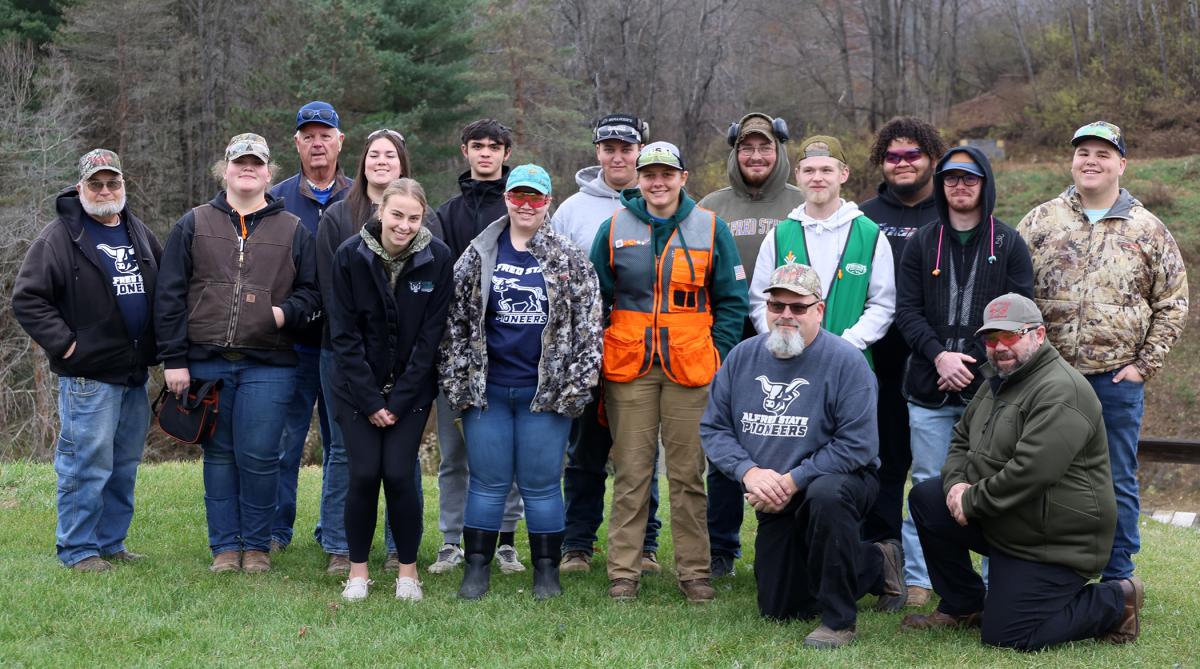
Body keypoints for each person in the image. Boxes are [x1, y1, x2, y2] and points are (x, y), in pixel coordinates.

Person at [903, 293, 1142, 651]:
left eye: (1010, 336)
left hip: (1055, 538)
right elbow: (960, 440)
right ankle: (963, 604)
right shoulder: (998, 380)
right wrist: (956, 487)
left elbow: (1032, 472)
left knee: (1008, 635)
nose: (999, 347)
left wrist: (972, 500)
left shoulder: (1063, 390)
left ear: (1039, 335)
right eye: (991, 338)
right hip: (1012, 518)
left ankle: (1114, 601)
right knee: (927, 498)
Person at [1017, 121, 1188, 582]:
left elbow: (1172, 303)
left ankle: (1118, 577)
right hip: (1046, 378)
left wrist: (1142, 366)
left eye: (1102, 154)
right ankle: (1041, 571)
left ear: (1121, 164)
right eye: (1082, 153)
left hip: (1114, 379)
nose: (1090, 161)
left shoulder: (1149, 229)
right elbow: (1013, 293)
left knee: (1116, 479)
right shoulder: (1039, 221)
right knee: (1036, 472)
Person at [701, 263, 905, 648]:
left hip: (842, 482)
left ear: (819, 310)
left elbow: (858, 445)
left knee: (825, 496)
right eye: (777, 305)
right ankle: (876, 564)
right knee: (780, 606)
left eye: (798, 307)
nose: (786, 316)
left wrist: (793, 480)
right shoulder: (742, 358)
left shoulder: (847, 362)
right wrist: (749, 473)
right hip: (773, 492)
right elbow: (714, 428)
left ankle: (838, 621)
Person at [590, 141, 748, 603]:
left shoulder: (711, 227)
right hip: (627, 366)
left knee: (687, 477)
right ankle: (624, 573)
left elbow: (733, 301)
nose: (658, 182)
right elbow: (595, 298)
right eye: (649, 174)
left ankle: (695, 573)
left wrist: (718, 354)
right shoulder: (614, 226)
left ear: (683, 177)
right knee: (632, 474)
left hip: (692, 368)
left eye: (666, 174)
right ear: (638, 180)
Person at [156, 133, 319, 573]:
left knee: (262, 455)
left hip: (270, 363)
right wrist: (174, 359)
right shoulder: (193, 223)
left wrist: (284, 314)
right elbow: (169, 296)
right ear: (224, 169)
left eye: (256, 163)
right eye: (239, 162)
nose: (247, 169)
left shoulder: (294, 231)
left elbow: (313, 294)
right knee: (221, 454)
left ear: (269, 173)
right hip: (205, 361)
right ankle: (226, 548)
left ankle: (258, 547)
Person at [440, 165, 602, 600]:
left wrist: (574, 389)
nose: (526, 205)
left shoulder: (568, 257)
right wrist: (459, 385)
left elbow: (588, 328)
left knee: (542, 483)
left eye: (535, 198)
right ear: (506, 199)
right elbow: (454, 322)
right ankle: (476, 568)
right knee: (488, 482)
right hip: (488, 392)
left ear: (547, 202)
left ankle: (547, 571)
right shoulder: (479, 253)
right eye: (518, 197)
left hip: (545, 396)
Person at [893, 146, 1033, 606]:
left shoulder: (1008, 243)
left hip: (994, 388)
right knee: (929, 484)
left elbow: (1020, 311)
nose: (960, 186)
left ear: (984, 184)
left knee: (992, 485)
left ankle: (997, 586)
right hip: (928, 388)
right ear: (941, 185)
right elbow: (907, 312)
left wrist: (970, 359)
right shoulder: (921, 242)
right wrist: (939, 357)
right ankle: (921, 581)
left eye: (969, 179)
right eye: (951, 178)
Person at [13, 149, 162, 571]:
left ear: (123, 187)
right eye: (95, 183)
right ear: (80, 189)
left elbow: (164, 289)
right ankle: (78, 548)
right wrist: (67, 345)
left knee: (123, 464)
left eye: (112, 182)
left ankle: (111, 542)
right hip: (88, 375)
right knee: (86, 463)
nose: (105, 190)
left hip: (134, 372)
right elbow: (28, 298)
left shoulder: (138, 232)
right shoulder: (60, 236)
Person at [328, 178, 453, 602]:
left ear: (423, 218)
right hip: (355, 389)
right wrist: (370, 400)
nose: (404, 225)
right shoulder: (350, 255)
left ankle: (408, 572)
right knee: (363, 474)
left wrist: (397, 401)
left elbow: (431, 336)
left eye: (413, 218)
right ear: (381, 211)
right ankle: (358, 573)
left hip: (411, 391)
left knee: (399, 475)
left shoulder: (438, 257)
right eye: (397, 215)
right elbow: (343, 335)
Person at [551, 113, 662, 576]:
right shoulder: (572, 210)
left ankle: (647, 545)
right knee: (586, 450)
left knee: (641, 452)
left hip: (644, 349)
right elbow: (553, 278)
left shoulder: (659, 203)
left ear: (639, 151)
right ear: (597, 152)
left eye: (626, 148)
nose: (618, 156)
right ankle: (577, 544)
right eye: (609, 148)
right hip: (587, 350)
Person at [697, 112, 805, 578]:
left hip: (790, 332)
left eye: (764, 147)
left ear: (779, 150)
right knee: (727, 440)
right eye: (746, 147)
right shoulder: (711, 205)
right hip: (729, 336)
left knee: (793, 434)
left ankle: (790, 542)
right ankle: (721, 547)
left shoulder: (801, 205)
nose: (755, 156)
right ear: (734, 152)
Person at [313, 128, 417, 575]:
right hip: (343, 353)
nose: (380, 161)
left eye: (389, 155)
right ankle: (340, 544)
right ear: (362, 162)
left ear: (401, 165)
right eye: (373, 154)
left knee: (400, 456)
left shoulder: (416, 216)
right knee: (342, 452)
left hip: (400, 359)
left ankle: (399, 547)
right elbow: (328, 288)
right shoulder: (339, 216)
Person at [428, 119, 526, 575]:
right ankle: (452, 540)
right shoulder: (445, 214)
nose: (485, 154)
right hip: (456, 355)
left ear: (507, 153)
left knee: (504, 456)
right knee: (455, 455)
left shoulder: (522, 207)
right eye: (477, 146)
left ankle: (505, 541)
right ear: (464, 151)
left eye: (494, 147)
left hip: (509, 353)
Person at [858, 117, 947, 555]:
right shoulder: (862, 218)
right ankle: (884, 557)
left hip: (937, 362)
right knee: (885, 464)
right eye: (893, 157)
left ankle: (932, 564)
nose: (903, 163)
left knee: (937, 470)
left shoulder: (951, 213)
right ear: (881, 162)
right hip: (879, 363)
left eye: (913, 154)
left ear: (932, 158)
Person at [270, 101, 352, 556]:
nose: (317, 143)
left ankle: (332, 532)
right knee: (285, 442)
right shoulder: (278, 197)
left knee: (340, 446)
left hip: (341, 344)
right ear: (297, 143)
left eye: (326, 134)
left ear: (340, 141)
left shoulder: (360, 196)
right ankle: (276, 533)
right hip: (293, 342)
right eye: (309, 135)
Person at [749, 135, 894, 358]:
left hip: (849, 360)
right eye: (809, 171)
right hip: (788, 361)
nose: (817, 178)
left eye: (826, 170)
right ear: (797, 175)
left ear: (843, 174)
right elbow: (759, 300)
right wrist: (783, 339)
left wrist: (847, 345)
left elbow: (883, 304)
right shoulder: (779, 235)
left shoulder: (870, 234)